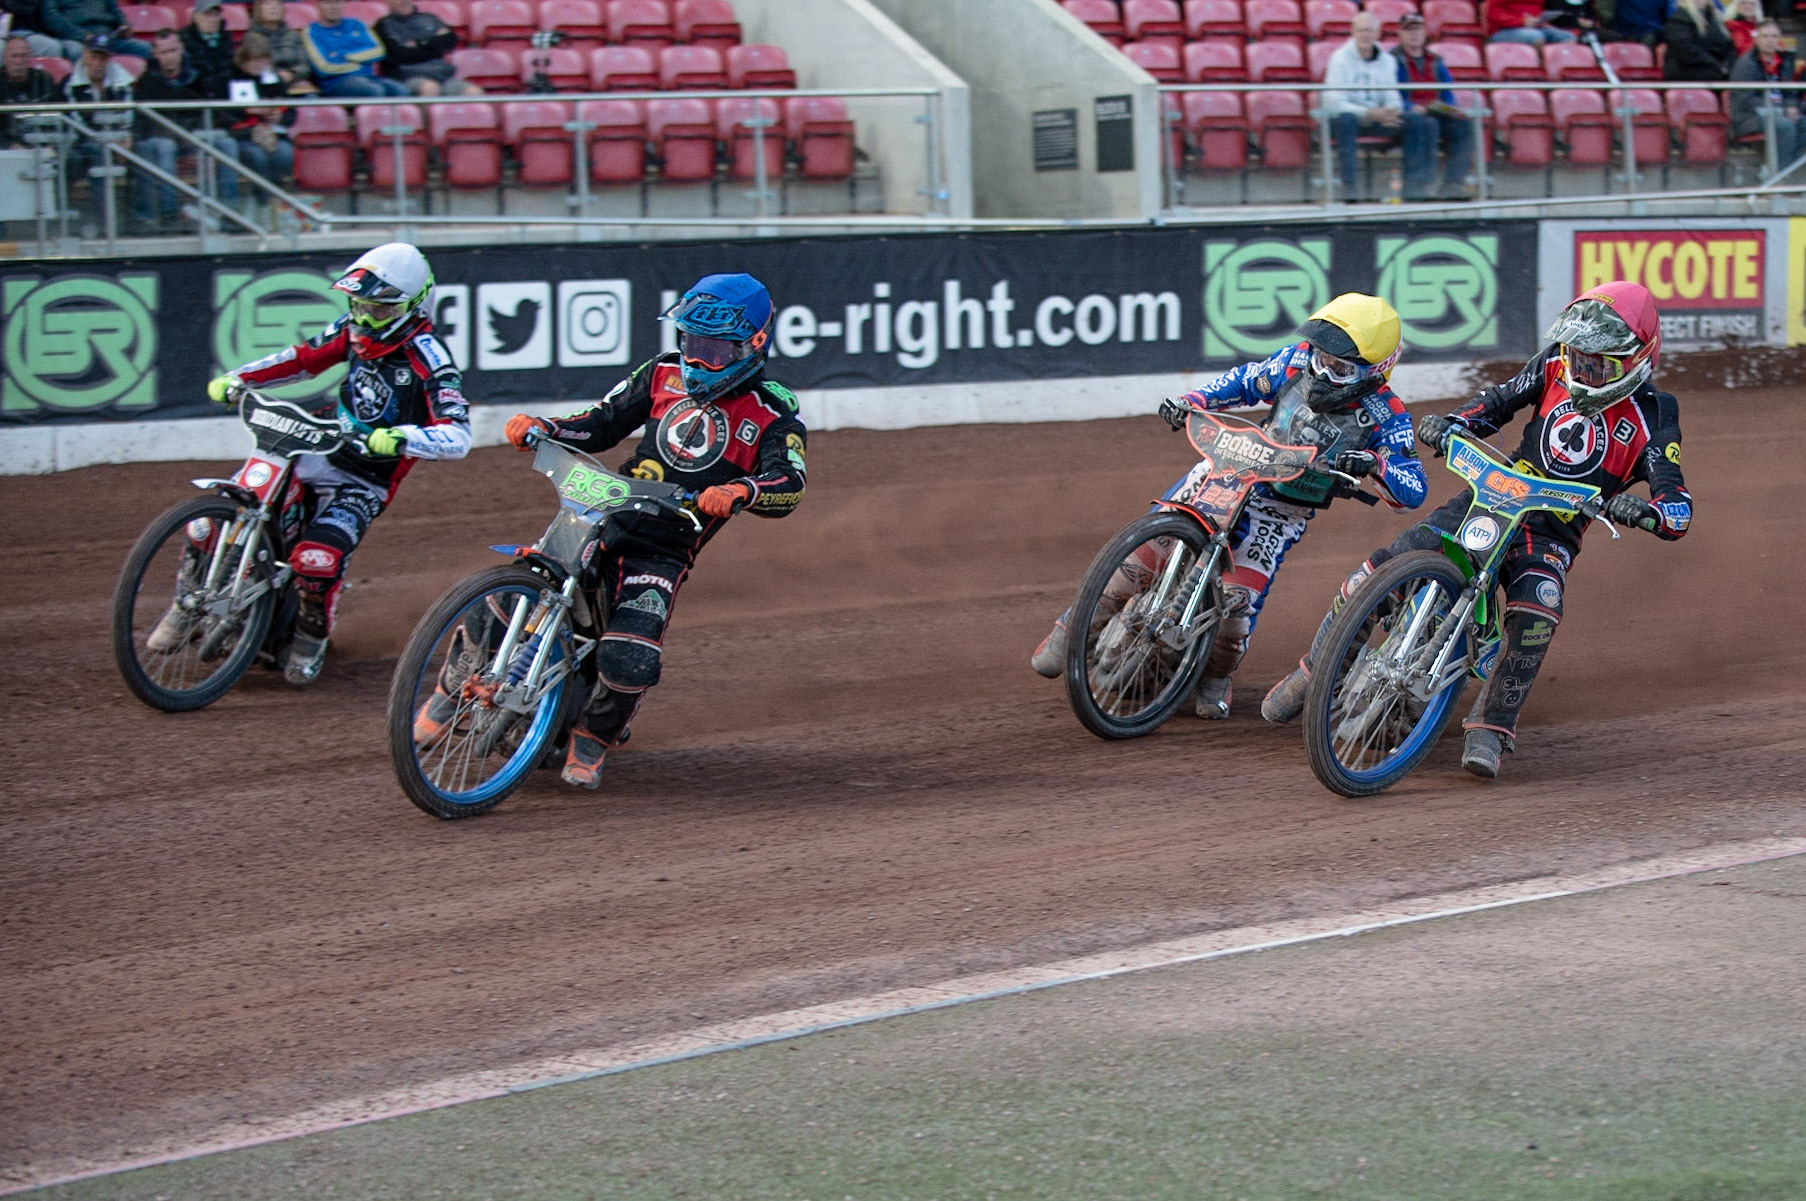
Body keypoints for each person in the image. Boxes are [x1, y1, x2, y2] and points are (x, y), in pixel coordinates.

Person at [1262, 282, 1693, 780]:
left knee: (1538, 610)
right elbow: (1497, 402)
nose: (1583, 370)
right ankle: (1312, 672)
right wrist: (1453, 423)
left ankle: (1492, 725)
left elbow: (1676, 498)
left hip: (1550, 532)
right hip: (1494, 494)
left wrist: (1651, 512)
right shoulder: (1553, 364)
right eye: (1579, 357)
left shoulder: (1657, 415)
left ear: (1638, 359)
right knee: (1384, 566)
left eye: (1599, 364)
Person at [1030, 294, 1427, 720]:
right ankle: (1070, 629)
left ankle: (1216, 676)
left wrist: (1376, 463)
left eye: (1340, 367)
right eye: (1320, 355)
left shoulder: (1387, 414)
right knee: (1149, 546)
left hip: (1282, 507)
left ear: (1376, 371)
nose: (1322, 369)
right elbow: (1246, 380)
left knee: (1237, 604)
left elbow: (1414, 487)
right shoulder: (1294, 362)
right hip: (1233, 465)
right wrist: (1194, 401)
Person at [486, 273, 808, 789]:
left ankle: (594, 739)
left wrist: (742, 491)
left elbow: (790, 482)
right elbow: (604, 421)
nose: (698, 359)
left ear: (754, 343)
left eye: (714, 349)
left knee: (630, 658)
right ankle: (451, 685)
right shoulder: (660, 373)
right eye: (691, 343)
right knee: (506, 596)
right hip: (602, 512)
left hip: (664, 546)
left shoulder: (773, 413)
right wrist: (548, 428)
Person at [189, 243, 471, 684]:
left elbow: (459, 435)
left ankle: (311, 634)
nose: (364, 318)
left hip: (364, 479)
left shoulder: (432, 360)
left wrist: (402, 437)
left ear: (413, 306)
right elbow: (302, 359)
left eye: (378, 310)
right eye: (358, 305)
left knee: (316, 559)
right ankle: (186, 597)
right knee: (212, 521)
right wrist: (238, 378)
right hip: (314, 446)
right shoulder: (351, 329)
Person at [134, 29, 242, 227]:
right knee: (165, 147)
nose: (171, 57)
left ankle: (230, 212)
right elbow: (145, 124)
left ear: (182, 49)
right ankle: (169, 215)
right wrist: (178, 135)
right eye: (165, 52)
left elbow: (210, 111)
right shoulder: (146, 82)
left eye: (174, 50)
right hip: (165, 138)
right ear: (155, 55)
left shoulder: (197, 77)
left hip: (195, 135)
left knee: (227, 143)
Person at [1324, 12, 1434, 201]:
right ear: (1353, 32)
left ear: (1378, 34)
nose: (1366, 35)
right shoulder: (1339, 58)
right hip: (1349, 118)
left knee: (1415, 120)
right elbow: (1333, 102)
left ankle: (1413, 188)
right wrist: (1367, 112)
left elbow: (1392, 96)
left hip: (1377, 118)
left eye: (1370, 31)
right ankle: (1349, 188)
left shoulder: (1387, 60)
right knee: (1346, 120)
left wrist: (1391, 111)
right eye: (1362, 30)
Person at [63, 33, 141, 233]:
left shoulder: (121, 81)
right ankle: (107, 225)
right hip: (84, 144)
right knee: (98, 152)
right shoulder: (69, 85)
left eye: (103, 58)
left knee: (144, 151)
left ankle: (143, 221)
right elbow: (76, 124)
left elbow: (131, 115)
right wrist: (109, 142)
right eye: (93, 56)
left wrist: (126, 138)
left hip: (120, 141)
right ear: (84, 54)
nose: (98, 63)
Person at [1393, 13, 1474, 201]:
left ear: (1425, 32)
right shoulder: (1392, 60)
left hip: (1434, 112)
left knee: (1463, 126)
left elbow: (1447, 93)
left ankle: (1452, 185)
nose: (1414, 34)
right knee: (1428, 124)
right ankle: (1420, 186)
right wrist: (1409, 106)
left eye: (1418, 29)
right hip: (1406, 115)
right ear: (1401, 34)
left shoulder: (1436, 60)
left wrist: (1448, 108)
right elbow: (1390, 94)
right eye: (1409, 30)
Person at [1730, 19, 1806, 169]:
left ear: (1779, 39)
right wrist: (1782, 111)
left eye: (1773, 36)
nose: (1769, 40)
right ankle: (1778, 177)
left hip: (1778, 113)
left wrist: (1791, 107)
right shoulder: (1746, 63)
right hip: (1749, 117)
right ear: (1756, 39)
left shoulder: (1783, 62)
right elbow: (1746, 99)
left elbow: (1790, 93)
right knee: (1787, 125)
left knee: (1803, 123)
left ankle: (1784, 168)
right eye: (1765, 36)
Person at [228, 30, 295, 183]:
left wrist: (280, 117)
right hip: (243, 136)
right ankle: (263, 202)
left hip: (274, 135)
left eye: (263, 60)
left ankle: (276, 198)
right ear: (244, 59)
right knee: (257, 156)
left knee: (285, 153)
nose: (259, 65)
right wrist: (249, 111)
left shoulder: (273, 80)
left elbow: (291, 113)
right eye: (254, 60)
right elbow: (224, 114)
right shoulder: (230, 78)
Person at [304, 0, 407, 97]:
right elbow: (323, 68)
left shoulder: (356, 24)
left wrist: (348, 56)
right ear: (318, 6)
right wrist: (360, 64)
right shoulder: (311, 31)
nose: (334, 7)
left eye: (338, 2)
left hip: (368, 77)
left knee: (401, 90)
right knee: (374, 90)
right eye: (328, 2)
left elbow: (379, 51)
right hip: (335, 83)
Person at [373, 0, 474, 96]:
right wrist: (434, 46)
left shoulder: (430, 18)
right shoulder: (383, 25)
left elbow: (450, 41)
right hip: (407, 77)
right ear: (387, 2)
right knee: (430, 88)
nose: (404, 1)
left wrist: (419, 44)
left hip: (443, 75)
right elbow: (400, 54)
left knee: (472, 92)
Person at [0, 31, 59, 147]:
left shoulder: (44, 80)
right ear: (5, 58)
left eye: (23, 56)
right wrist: (9, 144)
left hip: (43, 142)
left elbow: (59, 116)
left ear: (30, 58)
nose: (18, 61)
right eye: (14, 56)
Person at [39, 0, 150, 58]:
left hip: (107, 36)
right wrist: (83, 36)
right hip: (75, 39)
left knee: (145, 48)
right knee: (77, 52)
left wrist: (123, 25)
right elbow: (51, 18)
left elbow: (114, 9)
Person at [247, 0, 312, 92]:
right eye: (267, 3)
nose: (273, 7)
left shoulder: (293, 35)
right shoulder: (251, 37)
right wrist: (277, 75)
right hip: (265, 87)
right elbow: (251, 68)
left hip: (295, 83)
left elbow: (305, 65)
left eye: (277, 3)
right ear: (258, 9)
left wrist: (292, 73)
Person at [1665, 0, 1737, 81]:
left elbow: (1729, 46)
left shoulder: (1715, 19)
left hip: (1716, 67)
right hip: (1687, 68)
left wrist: (1728, 65)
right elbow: (1686, 50)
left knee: (1739, 74)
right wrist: (1717, 65)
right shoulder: (1678, 20)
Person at [179, 0, 235, 97]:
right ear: (195, 16)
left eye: (216, 15)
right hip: (194, 97)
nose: (213, 19)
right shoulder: (183, 40)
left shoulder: (226, 39)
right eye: (207, 14)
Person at [1487, 0, 1577, 44]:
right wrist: (1522, 21)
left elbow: (1538, 11)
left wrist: (1541, 21)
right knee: (1535, 36)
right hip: (1503, 31)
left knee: (1568, 37)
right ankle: (1540, 69)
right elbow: (1495, 14)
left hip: (1536, 27)